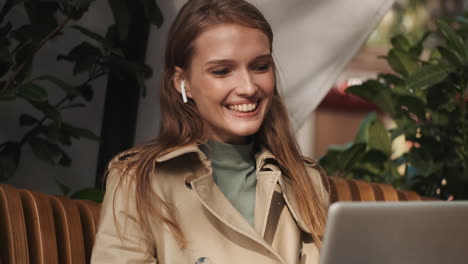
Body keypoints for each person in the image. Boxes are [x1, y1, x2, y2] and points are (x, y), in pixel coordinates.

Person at [91, 0, 329, 263]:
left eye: (260, 67)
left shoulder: (307, 180)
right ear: (183, 83)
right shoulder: (138, 180)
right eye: (222, 71)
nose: (248, 87)